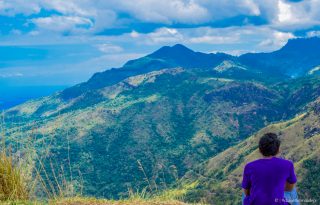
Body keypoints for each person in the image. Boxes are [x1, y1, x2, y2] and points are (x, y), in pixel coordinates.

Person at [241, 133, 299, 205]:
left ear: (260, 150)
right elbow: (290, 188)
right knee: (293, 191)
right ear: (278, 150)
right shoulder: (288, 164)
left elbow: (247, 193)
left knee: (245, 192)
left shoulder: (249, 166)